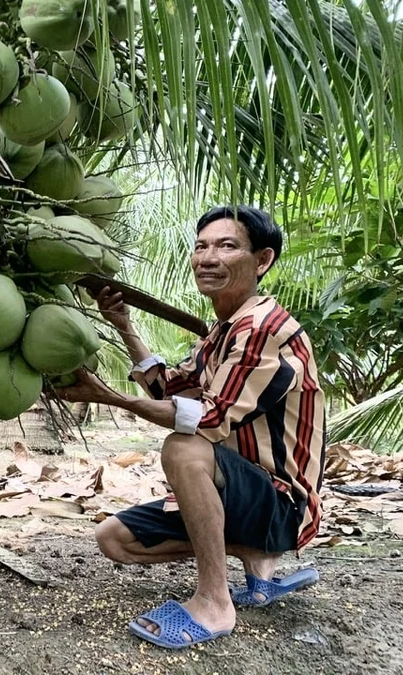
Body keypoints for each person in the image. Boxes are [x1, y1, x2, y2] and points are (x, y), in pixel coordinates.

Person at [56, 205, 326, 650]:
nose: (207, 256)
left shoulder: (264, 328)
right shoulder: (220, 334)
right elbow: (170, 388)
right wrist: (124, 326)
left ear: (262, 261)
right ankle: (251, 554)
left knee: (184, 448)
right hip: (236, 498)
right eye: (201, 246)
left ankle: (215, 602)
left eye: (226, 245)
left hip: (281, 504)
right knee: (114, 540)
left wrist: (113, 397)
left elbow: (210, 417)